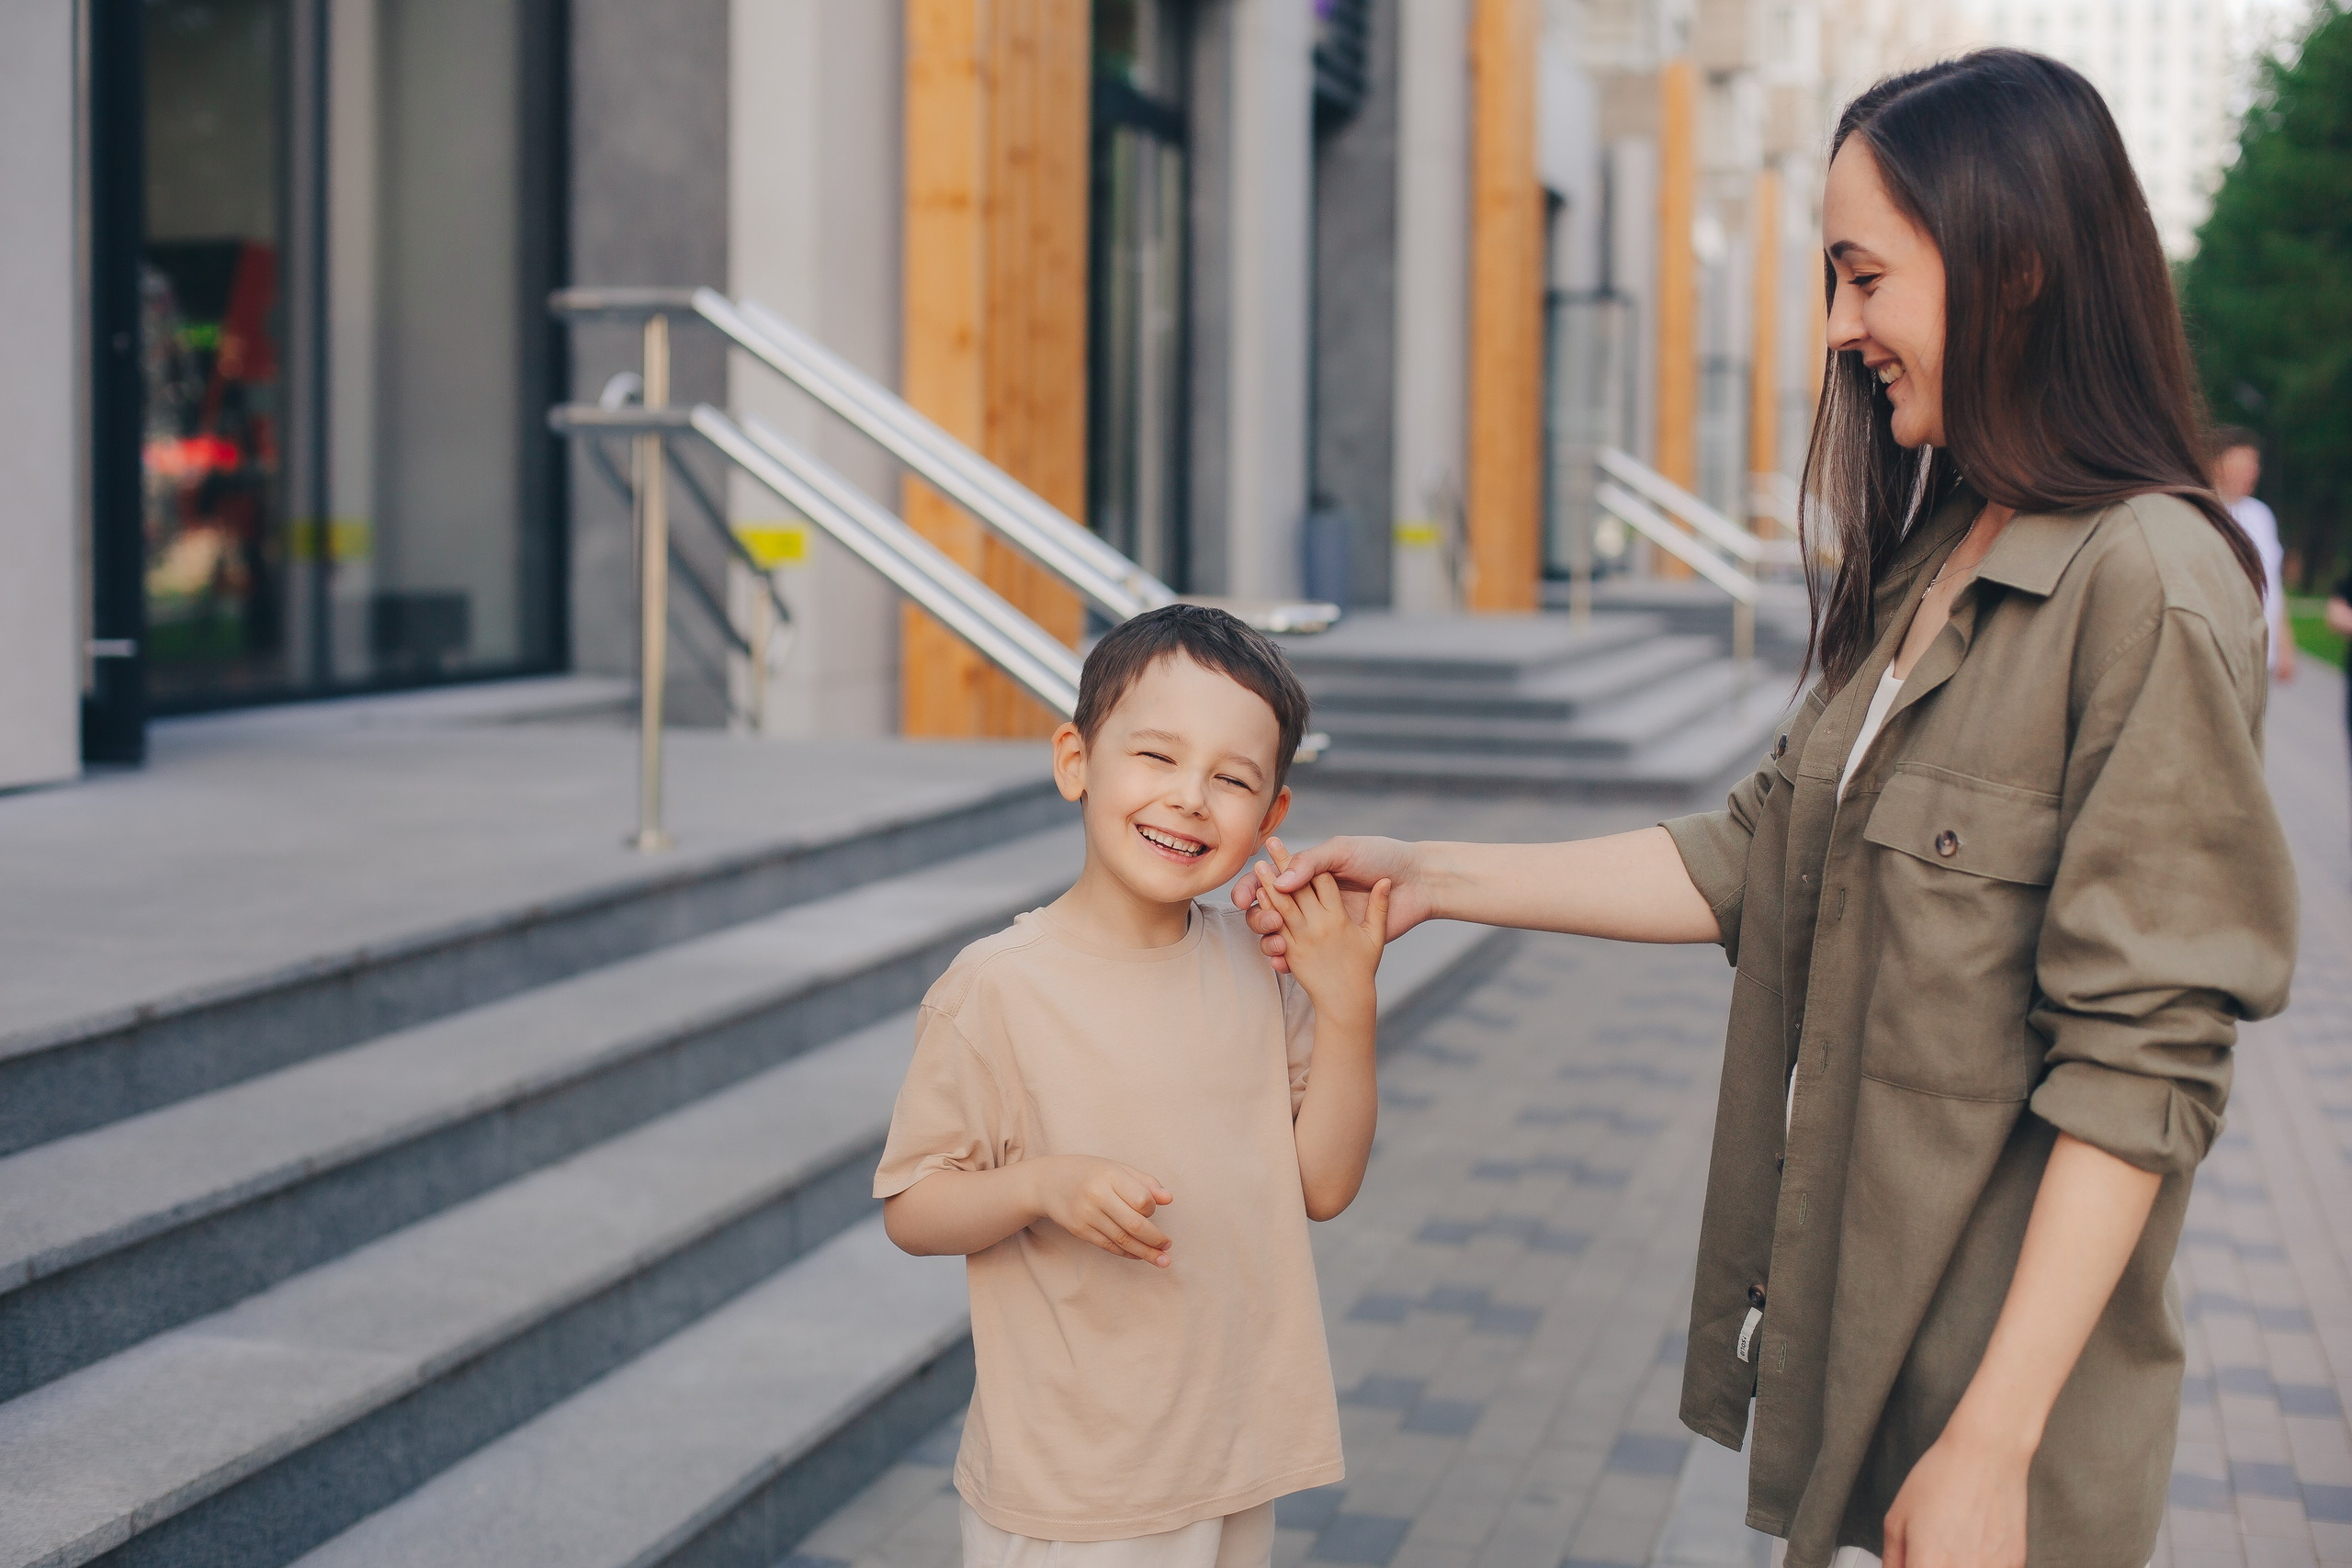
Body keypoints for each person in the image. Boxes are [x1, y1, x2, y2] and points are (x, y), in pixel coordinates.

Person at [1238, 51, 2296, 1568]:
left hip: (2003, 1428)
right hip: (1873, 1369)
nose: (1842, 327)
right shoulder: (1940, 548)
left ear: (2015, 266)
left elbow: (2146, 1065)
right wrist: (1432, 873)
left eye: (1865, 276)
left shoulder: (2151, 585)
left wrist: (1994, 1443)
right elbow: (1754, 852)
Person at [876, 604, 1392, 1568]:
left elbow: (1323, 1185)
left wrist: (1347, 1005)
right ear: (1076, 761)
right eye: (1156, 756)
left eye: (1232, 779)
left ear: (1270, 818)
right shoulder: (997, 987)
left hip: (1230, 1453)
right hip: (1077, 1484)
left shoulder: (1261, 965)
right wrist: (1039, 1185)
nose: (1190, 798)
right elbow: (913, 1207)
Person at [2211, 426, 2296, 682]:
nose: (2254, 471)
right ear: (2217, 463)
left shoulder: (2261, 515)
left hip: (2260, 655)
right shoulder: (2205, 513)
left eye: (2255, 464)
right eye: (2246, 463)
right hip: (2220, 654)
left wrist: (2285, 645)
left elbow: (2273, 585)